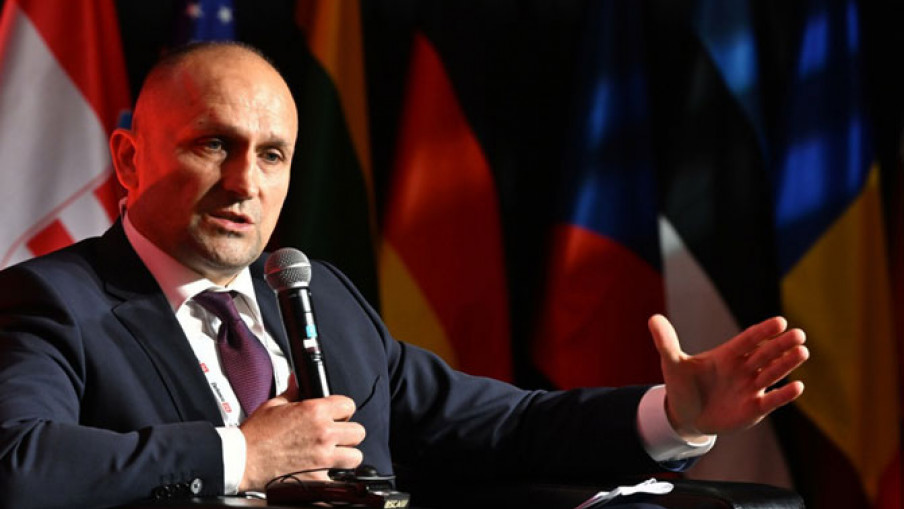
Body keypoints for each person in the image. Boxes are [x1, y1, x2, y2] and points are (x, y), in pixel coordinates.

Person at [0, 42, 808, 509]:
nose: (246, 182)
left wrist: (673, 414)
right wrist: (241, 454)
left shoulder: (322, 300)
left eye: (272, 154)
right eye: (214, 144)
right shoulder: (52, 300)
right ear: (128, 159)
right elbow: (18, 463)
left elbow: (502, 426)